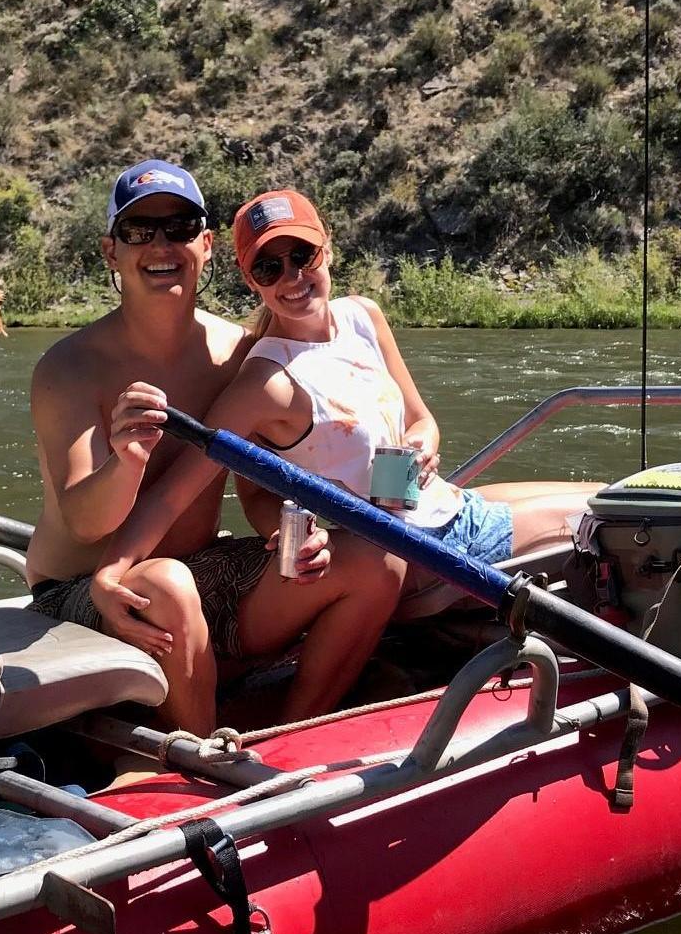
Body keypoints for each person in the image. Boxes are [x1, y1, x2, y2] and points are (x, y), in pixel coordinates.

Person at [25, 161, 399, 733]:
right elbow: (84, 522)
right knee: (167, 583)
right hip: (84, 591)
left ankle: (288, 739)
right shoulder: (69, 368)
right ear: (111, 252)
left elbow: (255, 491)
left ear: (204, 245)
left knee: (378, 558)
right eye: (139, 231)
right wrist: (127, 458)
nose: (160, 244)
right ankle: (202, 762)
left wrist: (286, 536)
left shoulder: (239, 354)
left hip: (201, 574)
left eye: (178, 228)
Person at [217, 188, 599, 618]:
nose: (292, 276)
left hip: (449, 505)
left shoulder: (363, 316)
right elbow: (251, 492)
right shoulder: (268, 378)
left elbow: (422, 419)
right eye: (269, 268)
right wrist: (290, 537)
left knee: (610, 495)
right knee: (609, 518)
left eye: (303, 255)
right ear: (251, 280)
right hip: (417, 549)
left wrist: (423, 443)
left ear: (327, 248)